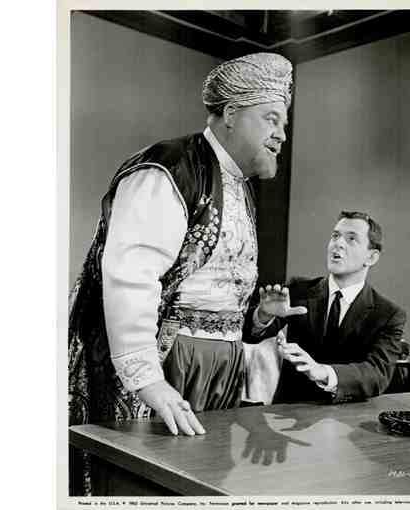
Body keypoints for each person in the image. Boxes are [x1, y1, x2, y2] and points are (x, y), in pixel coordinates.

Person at [68, 52, 293, 484]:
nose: (281, 134)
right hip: (170, 361)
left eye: (283, 123)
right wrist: (148, 380)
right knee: (144, 484)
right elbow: (131, 277)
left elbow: (214, 291)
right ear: (231, 113)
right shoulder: (169, 167)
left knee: (204, 482)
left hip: (221, 370)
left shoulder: (238, 186)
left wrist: (257, 319)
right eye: (271, 118)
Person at [246, 211, 407, 404]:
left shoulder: (388, 314)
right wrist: (263, 316)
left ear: (371, 257)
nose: (338, 244)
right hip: (288, 412)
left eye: (351, 239)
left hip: (349, 416)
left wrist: (323, 372)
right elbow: (250, 335)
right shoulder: (298, 291)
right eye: (335, 236)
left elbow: (377, 374)